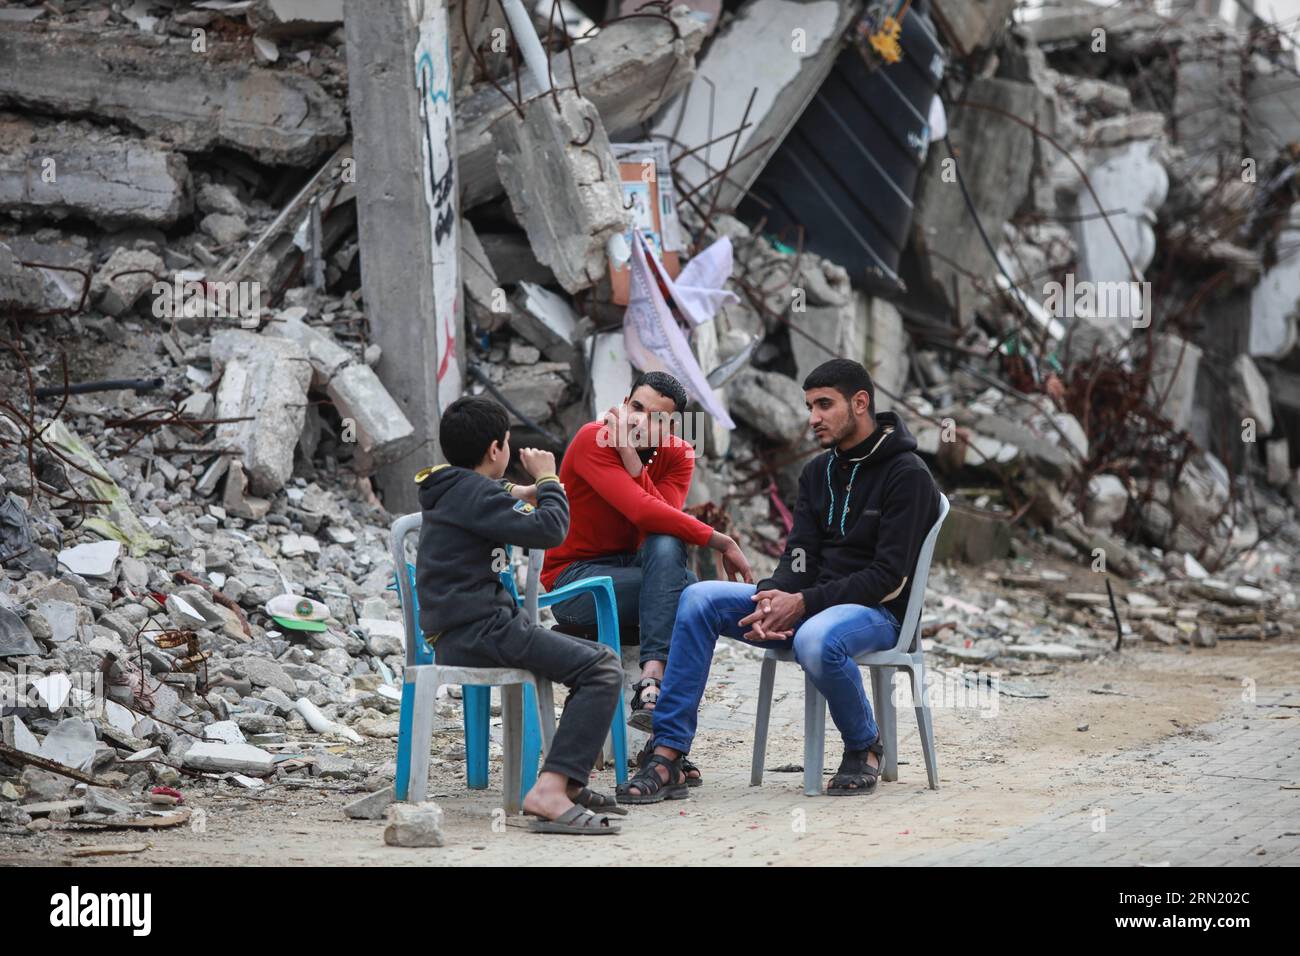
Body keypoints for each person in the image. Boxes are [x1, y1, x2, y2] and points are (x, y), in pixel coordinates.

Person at [617, 359, 941, 803]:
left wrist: (803, 602)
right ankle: (668, 753)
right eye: (810, 406)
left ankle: (865, 745)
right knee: (698, 598)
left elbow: (888, 578)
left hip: (879, 613)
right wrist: (775, 594)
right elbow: (800, 557)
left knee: (815, 641)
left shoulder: (908, 475)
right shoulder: (816, 473)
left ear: (860, 403)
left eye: (825, 405)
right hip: (809, 604)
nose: (813, 418)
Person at [414, 396, 625, 834]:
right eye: (508, 443)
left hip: (462, 631)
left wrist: (517, 490)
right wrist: (549, 478)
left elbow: (487, 495)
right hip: (481, 631)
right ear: (496, 450)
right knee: (603, 667)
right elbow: (551, 529)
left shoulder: (449, 487)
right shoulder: (475, 494)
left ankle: (565, 780)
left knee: (592, 659)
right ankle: (549, 790)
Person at [543, 370, 752, 748]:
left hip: (635, 575)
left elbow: (658, 522)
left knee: (669, 547)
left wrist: (634, 464)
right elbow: (643, 511)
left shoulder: (678, 455)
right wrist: (720, 540)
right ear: (623, 405)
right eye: (636, 407)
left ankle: (652, 682)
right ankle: (670, 741)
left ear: (671, 427)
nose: (639, 420)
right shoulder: (594, 438)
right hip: (575, 584)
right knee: (688, 591)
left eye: (655, 417)